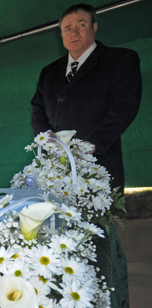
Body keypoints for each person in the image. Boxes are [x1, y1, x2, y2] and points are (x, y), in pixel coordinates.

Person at [31, 3, 142, 192]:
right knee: (58, 220)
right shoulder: (48, 72)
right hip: (56, 169)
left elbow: (124, 108)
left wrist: (90, 145)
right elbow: (37, 109)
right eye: (67, 28)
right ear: (61, 35)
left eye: (81, 25)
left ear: (94, 27)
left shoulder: (120, 59)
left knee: (97, 221)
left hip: (99, 164)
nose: (73, 32)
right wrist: (45, 137)